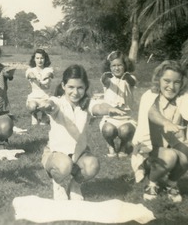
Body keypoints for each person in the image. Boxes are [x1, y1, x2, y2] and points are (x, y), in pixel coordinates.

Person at [131, 60, 188, 203]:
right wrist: (166, 122)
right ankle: (152, 183)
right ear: (158, 80)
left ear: (182, 83)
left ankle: (172, 183)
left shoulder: (184, 97)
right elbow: (151, 112)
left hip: (171, 147)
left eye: (177, 82)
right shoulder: (149, 95)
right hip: (148, 149)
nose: (171, 86)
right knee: (170, 157)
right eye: (167, 81)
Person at [41, 64, 122, 200]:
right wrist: (46, 106)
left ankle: (75, 185)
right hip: (56, 155)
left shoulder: (86, 103)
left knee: (92, 165)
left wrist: (109, 109)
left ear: (85, 88)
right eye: (71, 87)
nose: (75, 92)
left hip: (79, 153)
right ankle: (58, 183)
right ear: (63, 86)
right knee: (64, 165)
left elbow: (99, 106)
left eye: (80, 88)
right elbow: (51, 105)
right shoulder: (58, 102)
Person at [98, 51, 137, 158]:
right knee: (108, 130)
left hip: (126, 118)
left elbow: (132, 82)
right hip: (110, 118)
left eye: (120, 65)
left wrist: (126, 76)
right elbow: (104, 80)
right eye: (113, 66)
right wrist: (105, 75)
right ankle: (111, 146)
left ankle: (123, 146)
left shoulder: (130, 78)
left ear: (125, 66)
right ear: (109, 67)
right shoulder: (108, 80)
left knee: (125, 131)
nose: (117, 68)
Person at [25, 48, 54, 126]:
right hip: (34, 97)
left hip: (45, 97)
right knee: (32, 106)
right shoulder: (30, 70)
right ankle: (34, 115)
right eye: (37, 58)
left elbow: (50, 74)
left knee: (46, 106)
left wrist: (46, 77)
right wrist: (35, 78)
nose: (40, 60)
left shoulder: (49, 69)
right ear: (34, 59)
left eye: (42, 58)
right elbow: (29, 75)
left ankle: (44, 115)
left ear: (45, 59)